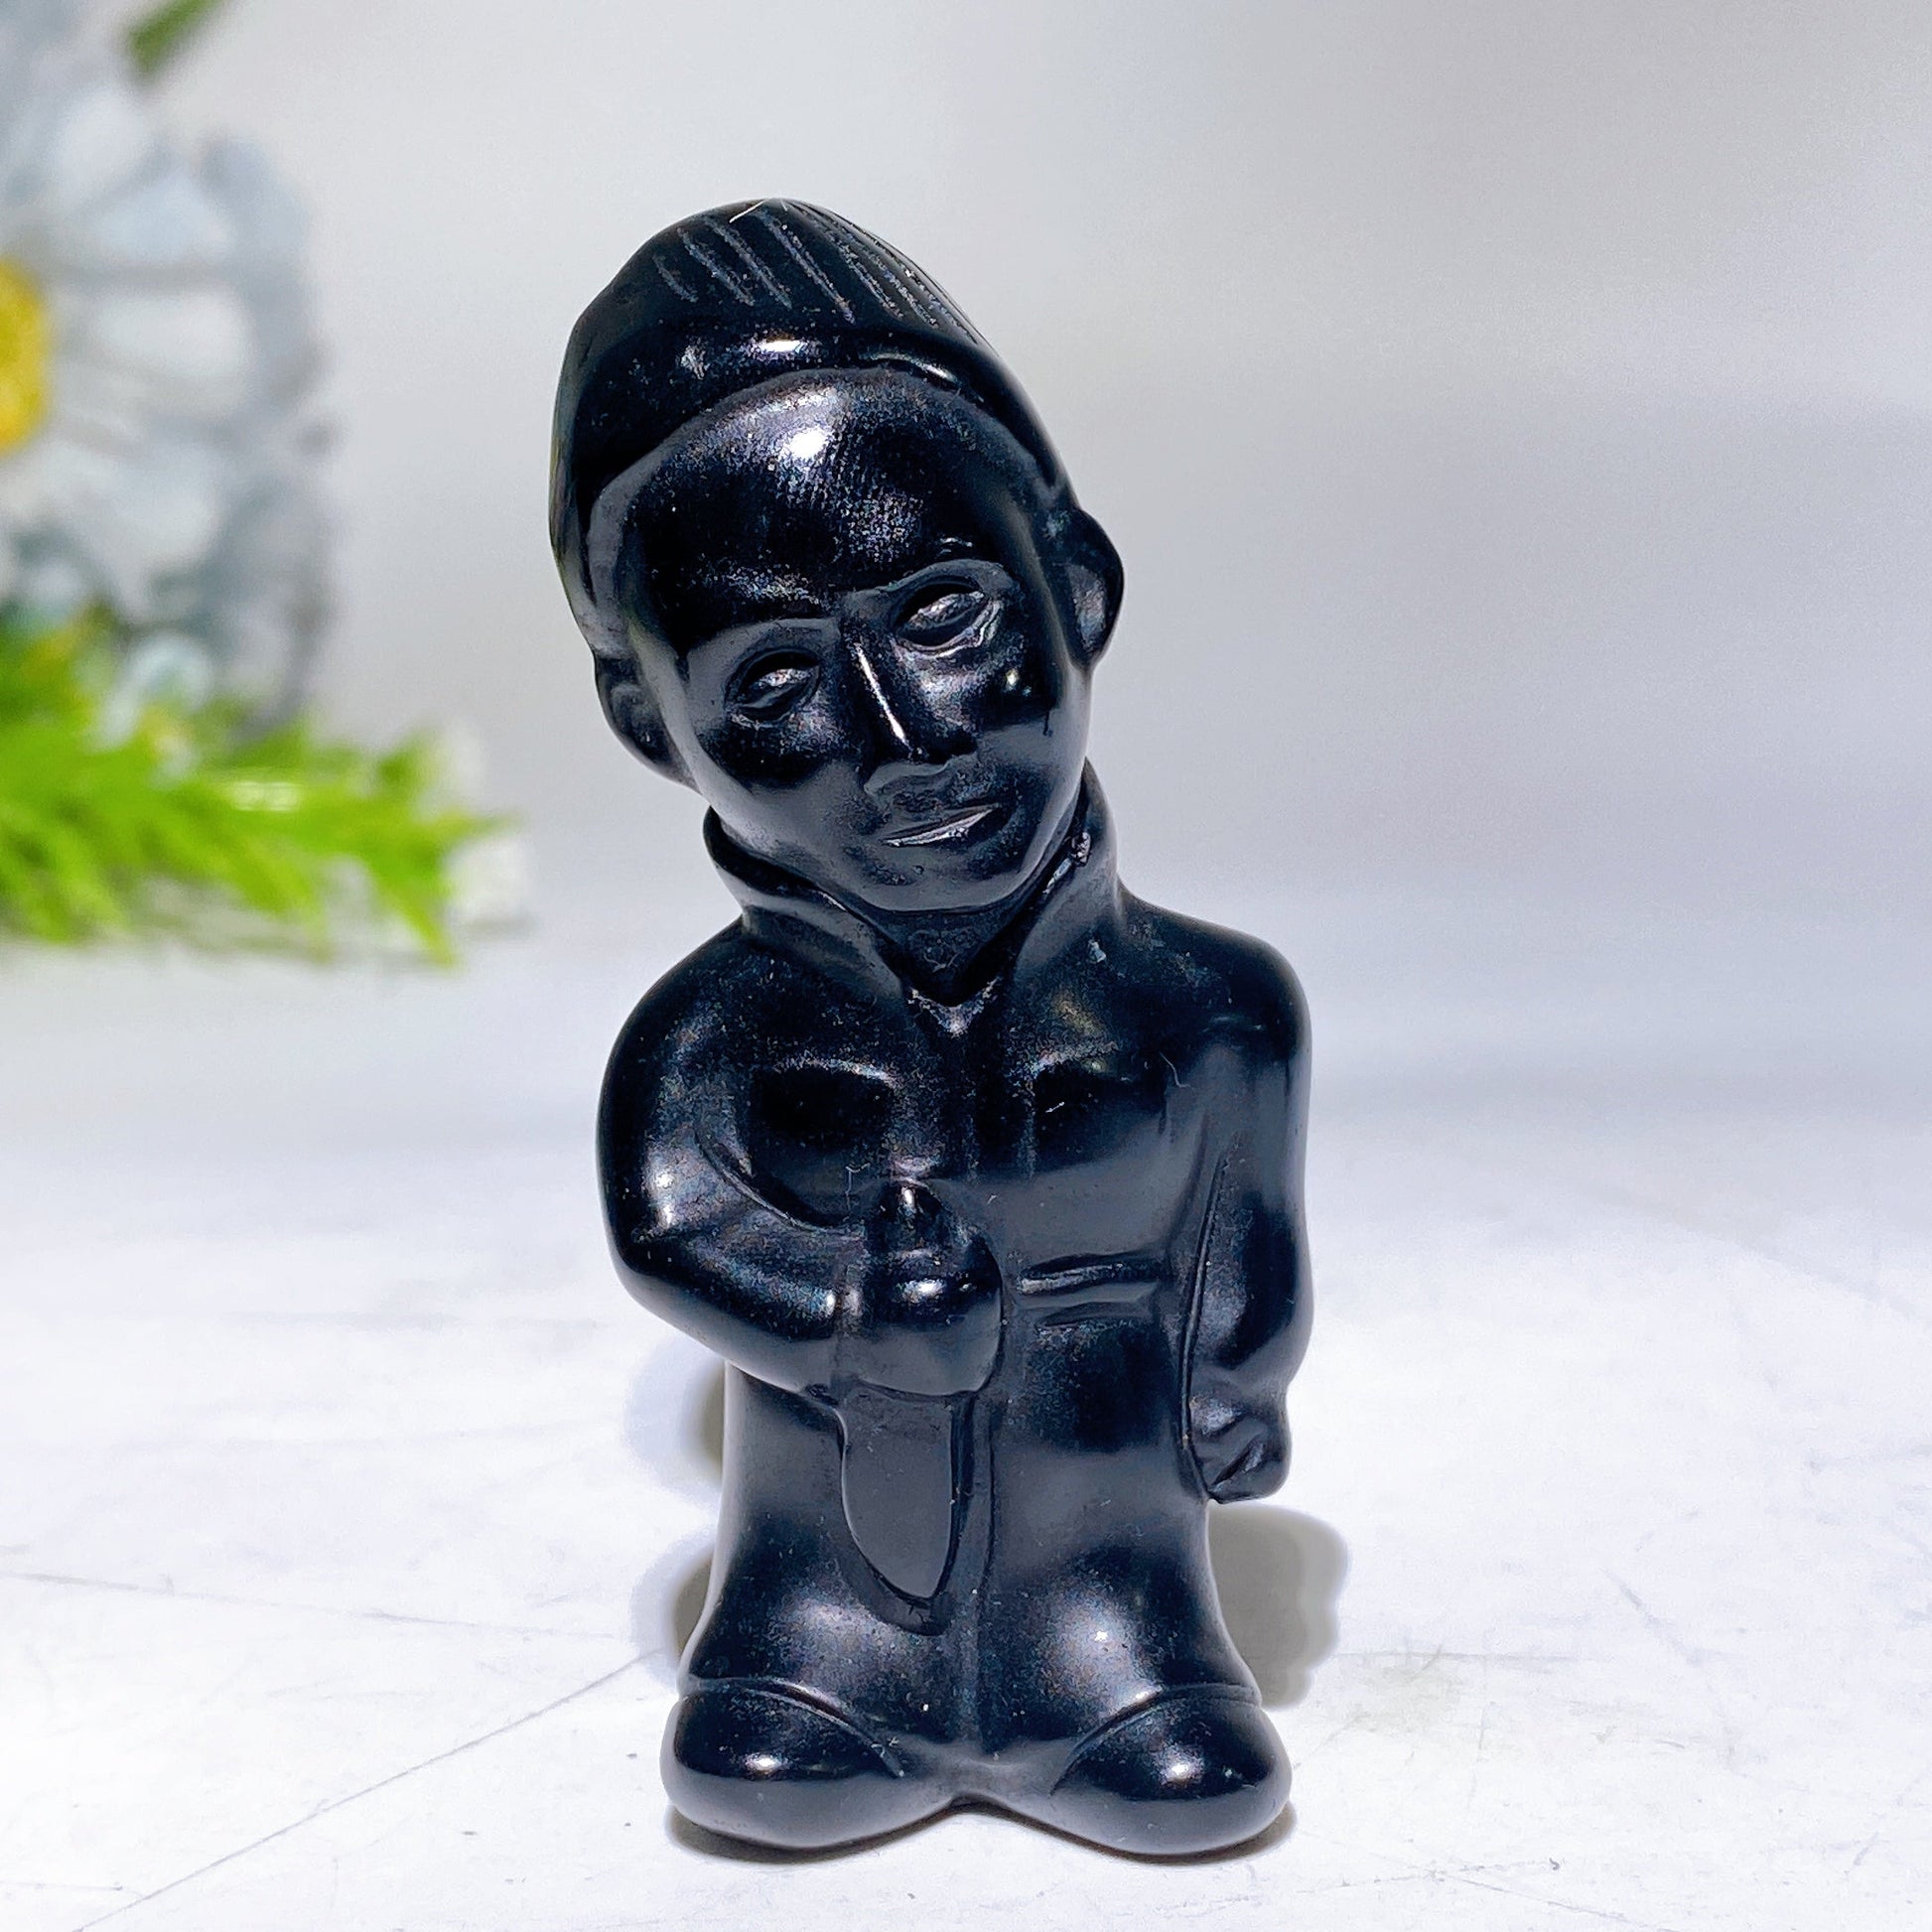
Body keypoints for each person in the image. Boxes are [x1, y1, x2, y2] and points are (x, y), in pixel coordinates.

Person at [551, 202, 1311, 1856]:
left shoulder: (1210, 1010)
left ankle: (1126, 1678)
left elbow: (1246, 1225)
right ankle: (812, 1677)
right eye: (771, 682)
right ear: (649, 725)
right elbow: (668, 1231)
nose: (902, 736)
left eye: (950, 618)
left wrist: (1236, 1362)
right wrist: (836, 1317)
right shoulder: (709, 1036)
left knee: (1128, 1659)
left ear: (1078, 583)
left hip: (1117, 1549)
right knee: (795, 1688)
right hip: (826, 1555)